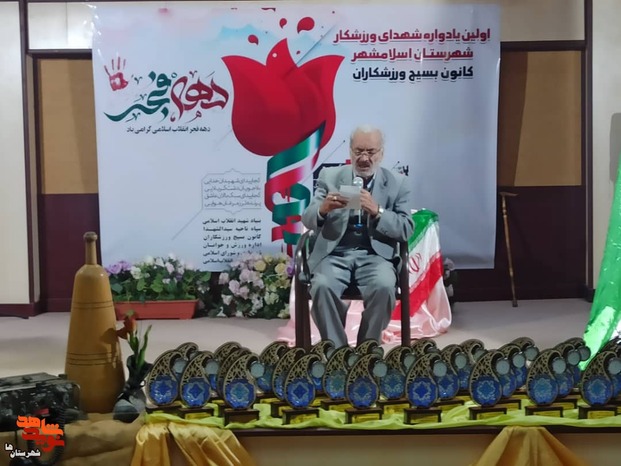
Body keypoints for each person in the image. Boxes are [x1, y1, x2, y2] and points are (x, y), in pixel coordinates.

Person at [301, 124, 414, 348]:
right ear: (350, 151)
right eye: (358, 151)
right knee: (322, 286)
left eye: (370, 152)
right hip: (335, 253)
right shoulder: (330, 176)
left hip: (376, 256)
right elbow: (307, 218)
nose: (364, 158)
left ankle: (367, 350)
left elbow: (406, 228)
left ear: (381, 153)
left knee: (384, 286)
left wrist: (378, 211)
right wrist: (323, 209)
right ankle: (337, 351)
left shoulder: (397, 183)